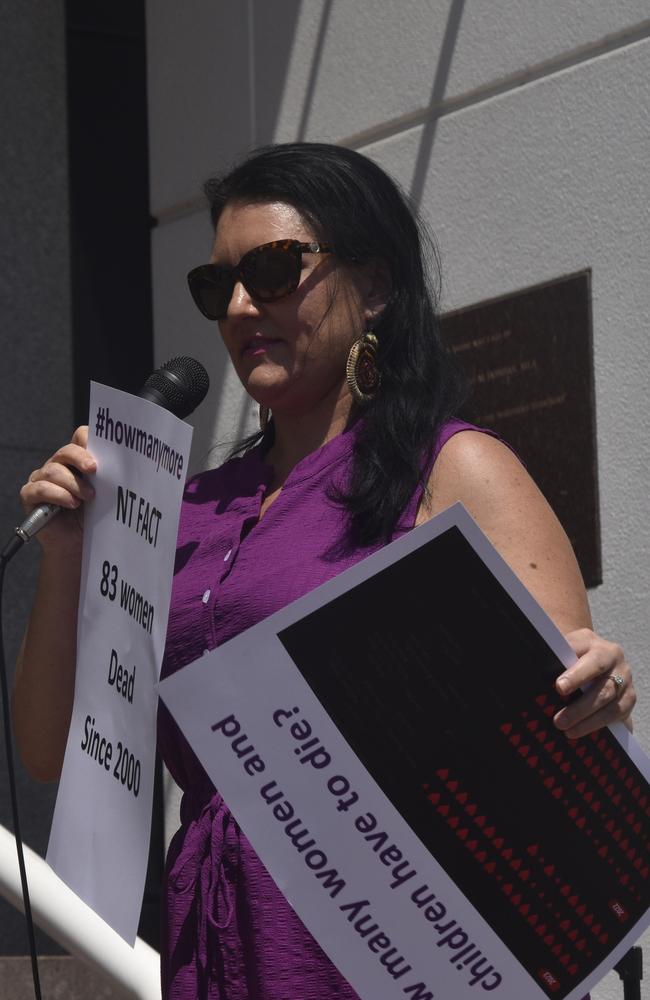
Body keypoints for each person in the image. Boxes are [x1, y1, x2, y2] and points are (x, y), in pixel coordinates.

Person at [13, 143, 636, 999]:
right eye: (216, 285)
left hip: (386, 945)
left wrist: (596, 687)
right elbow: (50, 753)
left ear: (375, 285)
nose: (237, 306)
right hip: (217, 950)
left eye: (272, 269)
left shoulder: (454, 467)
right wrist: (68, 555)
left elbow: (565, 703)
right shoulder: (185, 507)